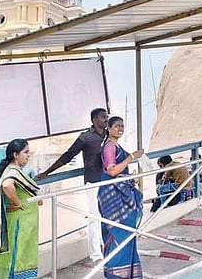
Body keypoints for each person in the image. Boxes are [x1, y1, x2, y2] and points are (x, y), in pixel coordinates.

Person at [36, 107, 108, 262]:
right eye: (103, 117)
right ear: (94, 119)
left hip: (109, 180)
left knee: (108, 217)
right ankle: (96, 255)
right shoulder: (85, 137)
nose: (106, 119)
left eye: (107, 116)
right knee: (94, 218)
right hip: (93, 182)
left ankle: (108, 249)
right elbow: (67, 156)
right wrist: (47, 172)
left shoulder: (109, 135)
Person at [0, 138, 41, 279]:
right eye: (26, 152)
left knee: (18, 253)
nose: (28, 155)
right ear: (15, 155)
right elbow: (7, 185)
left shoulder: (17, 170)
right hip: (20, 222)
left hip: (24, 221)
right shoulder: (12, 171)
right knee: (16, 256)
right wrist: (17, 203)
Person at [97, 116, 144, 278]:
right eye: (117, 126)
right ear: (109, 128)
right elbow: (112, 171)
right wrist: (132, 157)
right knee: (118, 233)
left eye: (122, 126)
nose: (120, 129)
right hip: (113, 196)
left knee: (127, 233)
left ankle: (127, 273)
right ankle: (116, 274)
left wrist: (128, 178)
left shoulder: (116, 146)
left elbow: (119, 172)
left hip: (121, 193)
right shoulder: (109, 146)